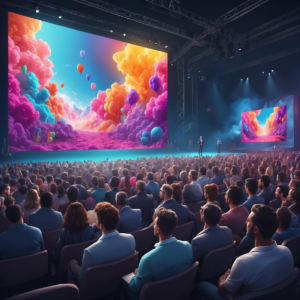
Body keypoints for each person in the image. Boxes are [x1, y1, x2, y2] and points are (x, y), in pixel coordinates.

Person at [197, 204, 294, 299]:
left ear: (255, 229)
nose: (245, 222)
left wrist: (221, 281)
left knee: (201, 284)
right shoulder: (287, 252)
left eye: (248, 221)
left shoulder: (243, 262)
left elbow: (221, 291)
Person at [128, 207, 193, 300]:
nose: (153, 225)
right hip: (179, 293)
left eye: (154, 224)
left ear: (158, 230)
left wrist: (135, 276)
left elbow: (134, 289)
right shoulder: (187, 246)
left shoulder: (147, 259)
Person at [68, 202, 135, 283]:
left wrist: (73, 263)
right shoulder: (131, 239)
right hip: (119, 282)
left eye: (96, 218)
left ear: (101, 225)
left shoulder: (90, 252)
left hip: (97, 289)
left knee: (72, 262)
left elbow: (82, 278)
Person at [191, 204, 233, 268]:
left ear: (204, 218)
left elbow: (192, 263)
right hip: (223, 268)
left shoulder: (198, 241)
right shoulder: (228, 231)